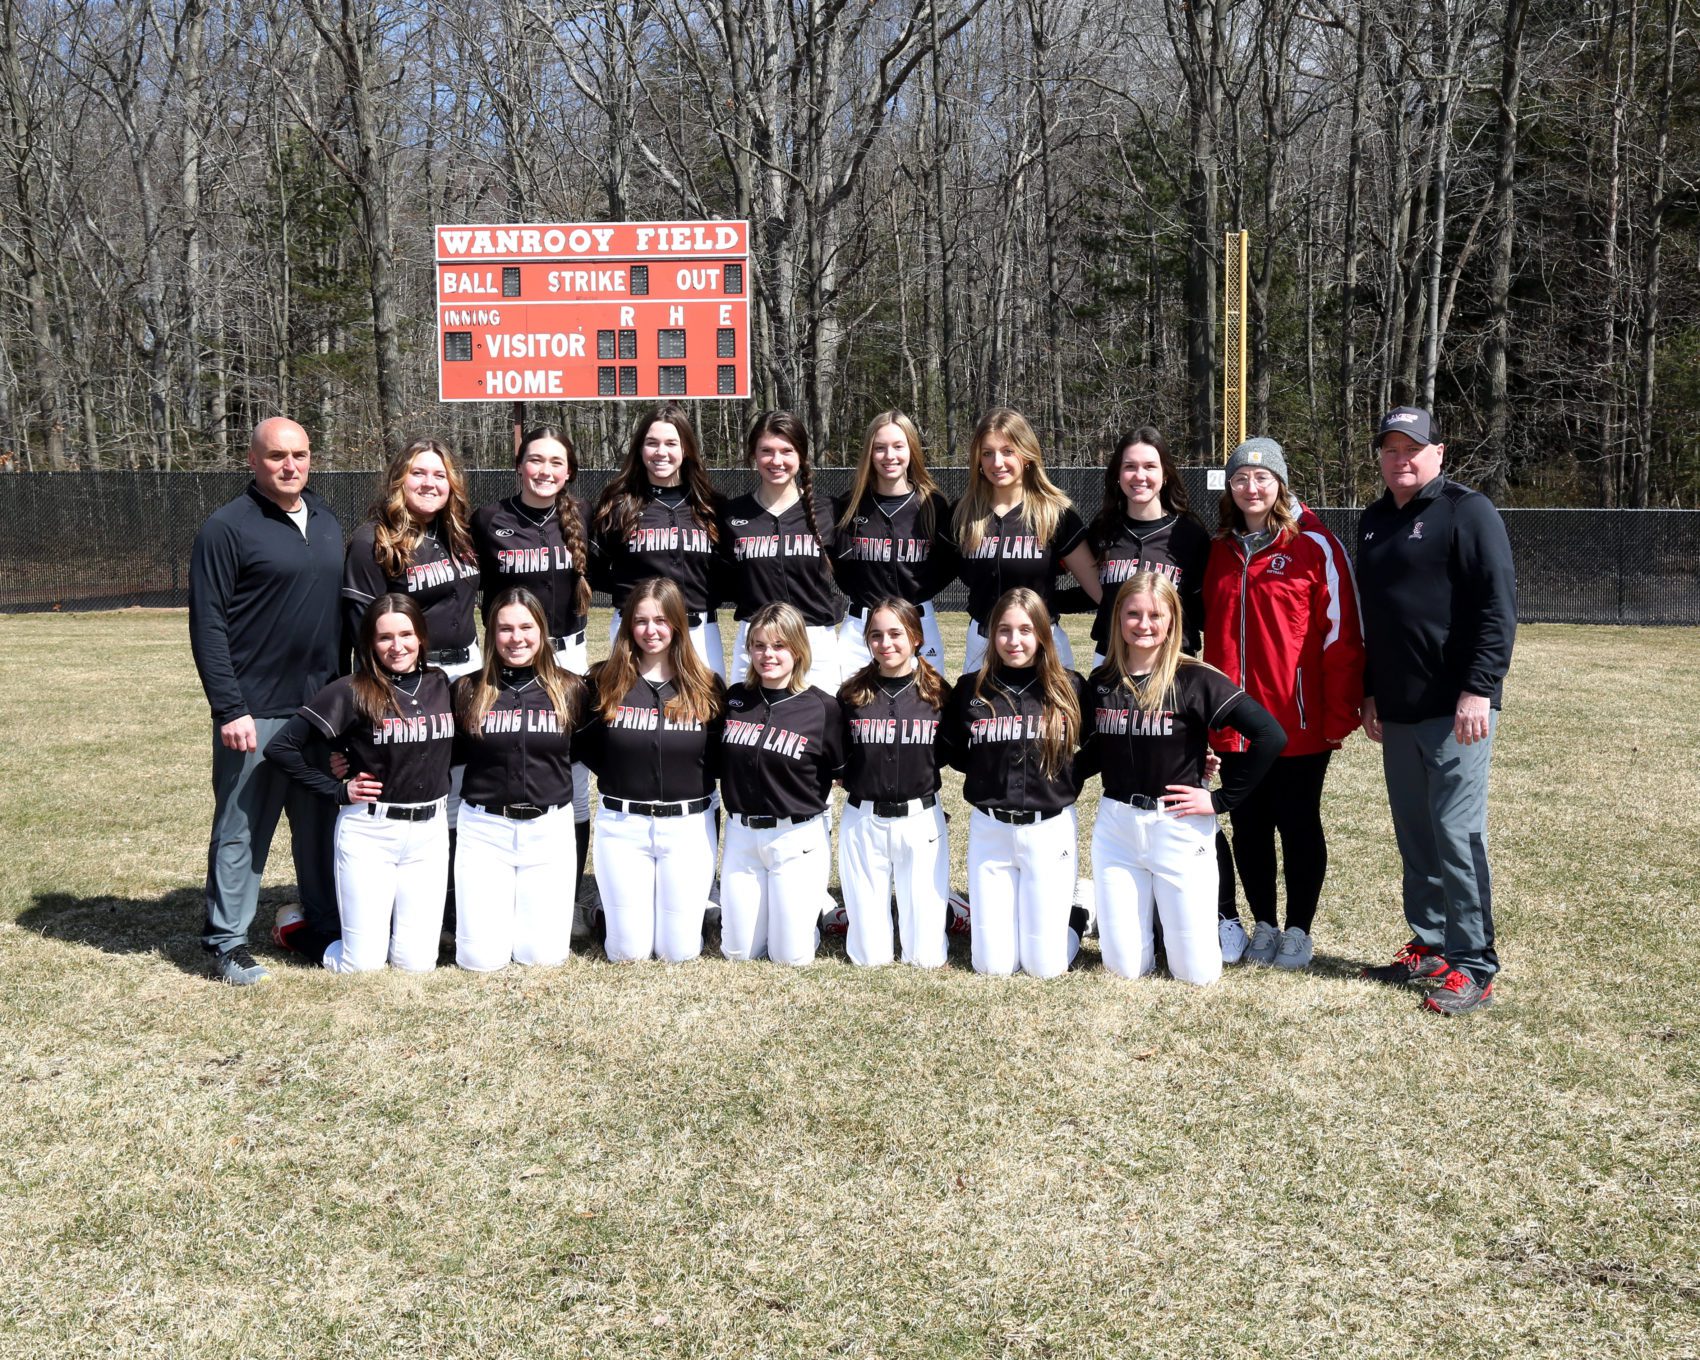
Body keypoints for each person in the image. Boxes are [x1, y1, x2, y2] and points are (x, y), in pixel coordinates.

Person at [1357, 406, 1516, 1016]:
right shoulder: (1373, 522)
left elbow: (1496, 609)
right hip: (1397, 709)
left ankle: (1474, 962)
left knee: (1455, 831)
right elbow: (1376, 619)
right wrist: (1371, 691)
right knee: (1416, 832)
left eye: (1413, 448)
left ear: (1439, 453)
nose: (1402, 458)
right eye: (1392, 449)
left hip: (1457, 709)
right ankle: (1430, 944)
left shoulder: (1466, 510)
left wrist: (1479, 689)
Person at [188, 415, 342, 985]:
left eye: (299, 454)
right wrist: (230, 708)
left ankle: (323, 927)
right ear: (252, 460)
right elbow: (208, 627)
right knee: (241, 828)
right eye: (277, 455)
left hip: (319, 713)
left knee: (319, 826)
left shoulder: (325, 519)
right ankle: (228, 943)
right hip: (254, 713)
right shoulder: (226, 528)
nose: (290, 465)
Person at [1203, 436, 1364, 971]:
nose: (1252, 487)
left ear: (1280, 484)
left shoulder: (1314, 547)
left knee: (1297, 823)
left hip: (1297, 721)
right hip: (1236, 723)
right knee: (1248, 825)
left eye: (1263, 477)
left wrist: (1337, 715)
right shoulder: (1220, 549)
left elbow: (1342, 635)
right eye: (1241, 478)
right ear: (1230, 487)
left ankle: (1299, 929)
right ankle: (1264, 925)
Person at [1083, 574, 1285, 985]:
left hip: (1177, 827)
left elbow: (1270, 735)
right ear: (1117, 618)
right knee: (1123, 970)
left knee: (1197, 975)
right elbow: (1093, 754)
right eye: (1133, 614)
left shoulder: (1195, 678)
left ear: (1173, 620)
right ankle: (1087, 903)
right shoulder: (1102, 683)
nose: (1144, 624)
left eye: (1156, 615)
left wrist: (1220, 800)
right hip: (1117, 829)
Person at [263, 595, 456, 973]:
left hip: (430, 834)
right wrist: (337, 789)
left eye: (406, 634)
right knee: (360, 965)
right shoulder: (352, 688)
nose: (397, 646)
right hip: (371, 832)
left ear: (421, 638)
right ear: (369, 643)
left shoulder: (441, 684)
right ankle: (294, 930)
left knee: (416, 964)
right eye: (384, 637)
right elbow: (281, 747)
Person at [470, 426, 595, 886]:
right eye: (535, 460)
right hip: (511, 659)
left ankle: (572, 888)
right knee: (500, 761)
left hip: (570, 658)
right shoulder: (488, 519)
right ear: (519, 466)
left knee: (575, 774)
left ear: (569, 472)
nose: (545, 470)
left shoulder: (584, 516)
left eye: (556, 462)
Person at [579, 578, 725, 963]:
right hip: (623, 826)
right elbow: (589, 748)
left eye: (661, 620)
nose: (651, 631)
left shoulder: (707, 687)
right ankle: (602, 910)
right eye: (641, 621)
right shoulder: (602, 681)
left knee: (679, 953)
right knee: (628, 953)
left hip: (687, 827)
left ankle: (697, 911)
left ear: (677, 623)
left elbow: (716, 759)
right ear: (628, 625)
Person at [944, 587, 1087, 978]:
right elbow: (955, 752)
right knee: (992, 966)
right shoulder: (971, 689)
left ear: (1042, 633)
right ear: (991, 635)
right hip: (991, 831)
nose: (1014, 640)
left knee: (1044, 968)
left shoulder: (1070, 688)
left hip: (1049, 828)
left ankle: (1077, 917)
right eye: (1004, 630)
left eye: (1025, 629)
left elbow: (1092, 751)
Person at [450, 587, 585, 971]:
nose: (517, 638)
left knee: (543, 958)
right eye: (505, 628)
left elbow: (597, 750)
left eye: (526, 627)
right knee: (480, 960)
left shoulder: (571, 689)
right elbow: (436, 750)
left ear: (542, 631)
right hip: (484, 831)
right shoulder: (467, 690)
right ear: (491, 633)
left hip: (549, 831)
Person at [718, 602, 846, 966]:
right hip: (742, 837)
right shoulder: (735, 699)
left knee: (789, 957)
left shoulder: (822, 707)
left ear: (798, 649)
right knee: (738, 954)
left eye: (778, 645)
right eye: (758, 645)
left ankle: (812, 918)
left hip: (796, 839)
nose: (767, 654)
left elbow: (841, 772)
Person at [837, 598, 953, 968]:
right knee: (868, 958)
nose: (885, 643)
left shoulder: (939, 694)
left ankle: (948, 913)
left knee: (926, 958)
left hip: (919, 819)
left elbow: (947, 753)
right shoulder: (851, 695)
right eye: (876, 635)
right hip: (864, 820)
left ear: (916, 637)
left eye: (895, 634)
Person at [950, 408, 1100, 673]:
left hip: (1042, 642)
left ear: (1027, 455)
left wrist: (1051, 602)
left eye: (1008, 451)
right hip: (982, 641)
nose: (997, 462)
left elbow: (1097, 590)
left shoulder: (1054, 514)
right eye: (987, 453)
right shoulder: (962, 515)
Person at [589, 403, 726, 674]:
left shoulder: (711, 506)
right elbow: (594, 569)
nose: (661, 452)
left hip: (698, 631)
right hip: (639, 632)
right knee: (634, 714)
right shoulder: (620, 504)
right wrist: (630, 596)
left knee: (706, 713)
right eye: (652, 443)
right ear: (640, 449)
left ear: (685, 448)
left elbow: (727, 572)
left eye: (671, 443)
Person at [719, 410, 843, 690]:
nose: (776, 461)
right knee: (748, 727)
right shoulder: (731, 515)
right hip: (757, 643)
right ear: (753, 456)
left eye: (786, 451)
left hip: (814, 642)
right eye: (766, 451)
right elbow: (722, 578)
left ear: (801, 456)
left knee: (817, 728)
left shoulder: (829, 511)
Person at [342, 438, 482, 682]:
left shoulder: (461, 533)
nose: (429, 483)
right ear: (399, 480)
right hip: (413, 672)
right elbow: (362, 630)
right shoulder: (373, 541)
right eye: (418, 473)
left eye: (440, 475)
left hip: (470, 668)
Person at [832, 411, 957, 673]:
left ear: (911, 449)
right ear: (869, 452)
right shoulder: (848, 504)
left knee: (928, 708)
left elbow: (949, 565)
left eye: (898, 446)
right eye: (880, 448)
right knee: (850, 709)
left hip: (918, 623)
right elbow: (838, 565)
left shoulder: (933, 505)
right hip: (860, 627)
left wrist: (919, 592)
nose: (890, 456)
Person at [1084, 426, 1211, 665]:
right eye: (1130, 466)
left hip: (1172, 660)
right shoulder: (1103, 529)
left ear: (1165, 475)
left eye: (1150, 466)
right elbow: (1093, 593)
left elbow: (1201, 606)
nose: (1139, 475)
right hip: (1111, 659)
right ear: (1117, 474)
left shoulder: (1188, 535)